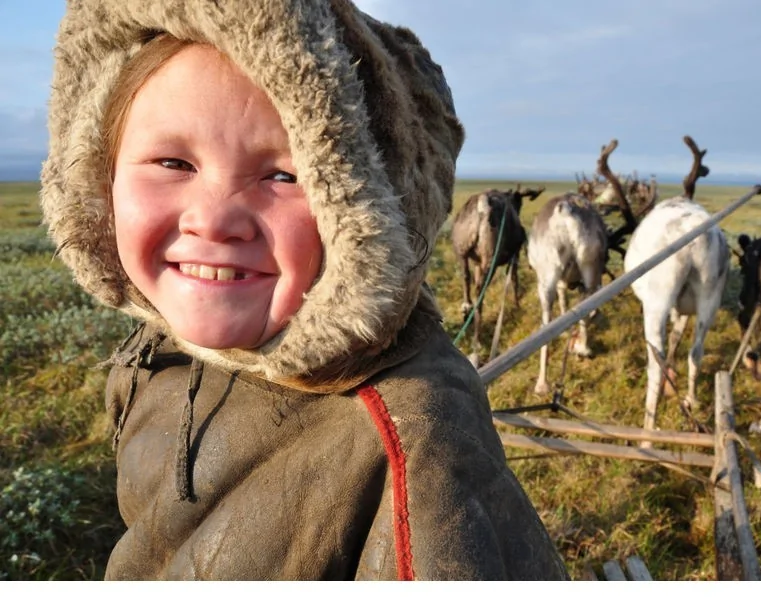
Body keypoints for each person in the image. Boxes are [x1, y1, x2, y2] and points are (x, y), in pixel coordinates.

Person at [40, 0, 570, 581]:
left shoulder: (415, 455)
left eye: (284, 176)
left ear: (369, 209)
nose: (214, 221)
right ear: (101, 174)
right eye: (172, 161)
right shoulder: (155, 348)